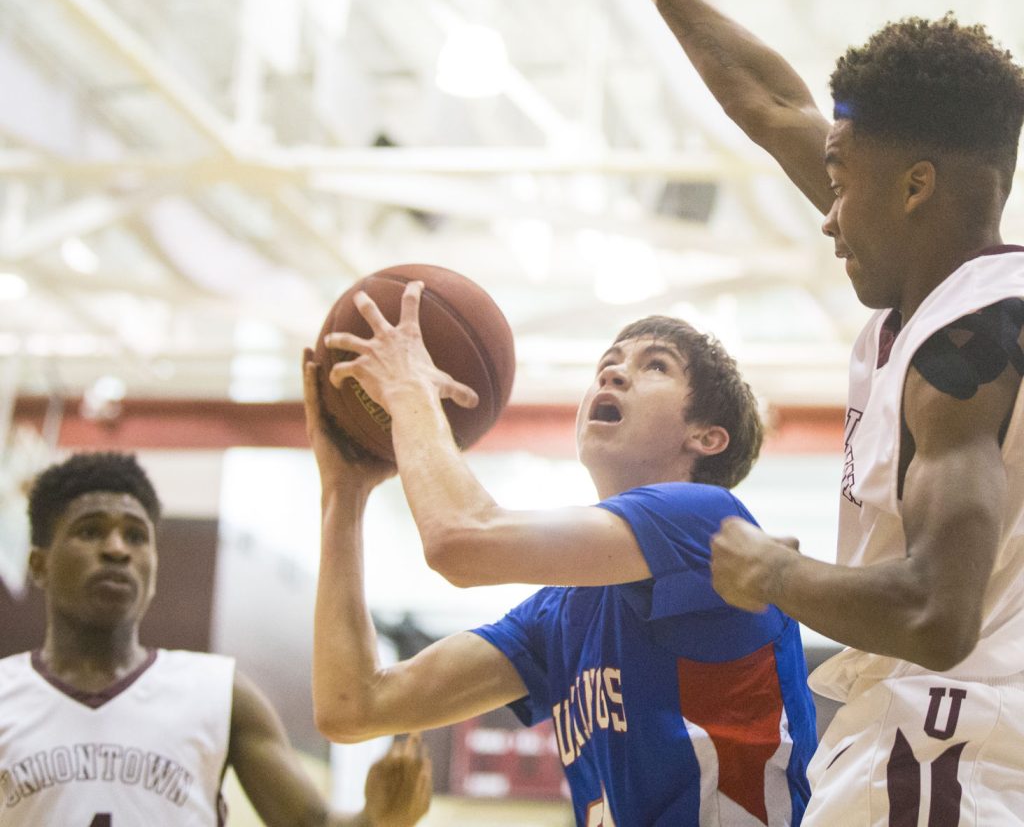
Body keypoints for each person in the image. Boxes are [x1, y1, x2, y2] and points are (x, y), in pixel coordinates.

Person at [551, 0, 1024, 825]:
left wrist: (773, 572)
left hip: (943, 756)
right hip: (933, 746)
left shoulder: (964, 351)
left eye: (841, 182)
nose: (826, 213)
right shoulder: (952, 290)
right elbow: (772, 107)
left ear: (916, 186)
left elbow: (936, 614)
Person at [308, 293, 817, 827]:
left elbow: (460, 541)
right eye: (607, 364)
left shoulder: (709, 523)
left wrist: (410, 388)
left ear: (706, 437)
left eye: (655, 366)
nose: (613, 374)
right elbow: (353, 706)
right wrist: (344, 492)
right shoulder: (559, 614)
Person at [0, 450, 432, 826]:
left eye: (136, 535)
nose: (117, 549)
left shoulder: (221, 693)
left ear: (154, 567)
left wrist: (378, 818)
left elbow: (313, 824)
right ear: (38, 565)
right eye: (90, 530)